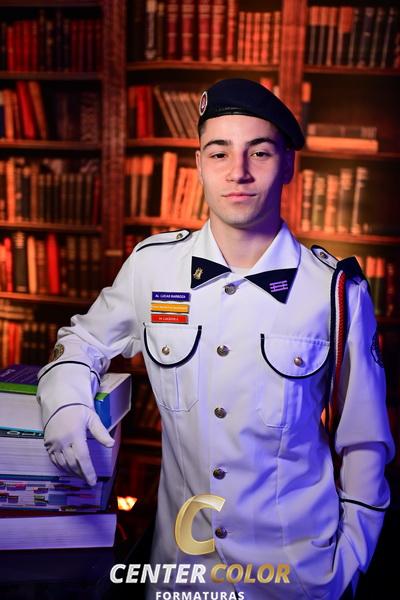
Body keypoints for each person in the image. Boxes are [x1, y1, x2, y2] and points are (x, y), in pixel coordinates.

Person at [37, 78, 394, 600]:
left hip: (296, 578)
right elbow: (81, 341)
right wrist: (65, 401)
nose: (238, 171)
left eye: (260, 152)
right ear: (199, 164)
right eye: (219, 152)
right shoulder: (153, 267)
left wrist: (348, 565)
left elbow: (364, 443)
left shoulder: (336, 292)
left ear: (288, 165)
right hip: (180, 573)